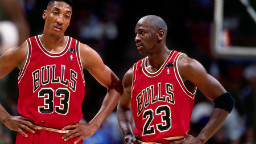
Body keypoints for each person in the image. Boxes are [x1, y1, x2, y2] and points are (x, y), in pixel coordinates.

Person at [0, 0, 122, 144]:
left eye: (66, 16)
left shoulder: (82, 52)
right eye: (56, 12)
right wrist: (5, 118)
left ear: (69, 21)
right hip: (31, 136)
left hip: (67, 137)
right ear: (45, 14)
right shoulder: (25, 51)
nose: (60, 20)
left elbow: (116, 86)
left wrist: (94, 125)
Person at [117, 15, 234, 144]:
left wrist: (200, 139)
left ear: (160, 35)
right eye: (136, 34)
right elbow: (123, 107)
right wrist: (127, 135)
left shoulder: (185, 66)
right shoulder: (132, 74)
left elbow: (225, 101)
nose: (137, 38)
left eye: (142, 33)